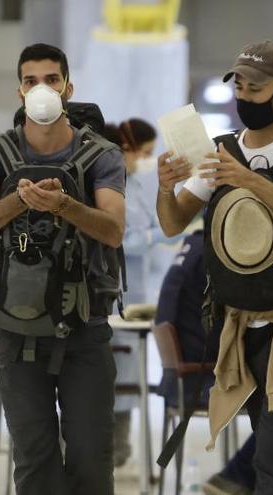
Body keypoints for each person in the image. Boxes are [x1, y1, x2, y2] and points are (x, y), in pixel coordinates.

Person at [156, 40, 273, 495]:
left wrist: (249, 179)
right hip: (240, 326)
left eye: (256, 88)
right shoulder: (220, 154)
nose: (245, 97)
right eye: (239, 86)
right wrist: (165, 187)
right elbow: (174, 222)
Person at [0, 43, 126, 495]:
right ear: (19, 91)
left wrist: (65, 205)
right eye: (31, 81)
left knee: (92, 463)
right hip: (17, 331)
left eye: (52, 80)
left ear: (68, 89)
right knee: (35, 464)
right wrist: (22, 198)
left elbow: (113, 229)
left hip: (86, 328)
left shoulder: (101, 156)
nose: (42, 89)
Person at [102, 118, 174, 466]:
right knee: (103, 372)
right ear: (125, 150)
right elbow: (122, 238)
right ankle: (100, 447)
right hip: (109, 289)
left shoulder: (140, 184)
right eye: (144, 153)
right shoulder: (107, 185)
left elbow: (155, 223)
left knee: (129, 371)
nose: (147, 159)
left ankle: (120, 446)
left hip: (136, 293)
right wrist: (151, 237)